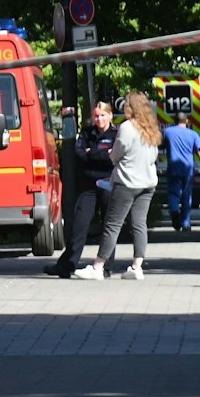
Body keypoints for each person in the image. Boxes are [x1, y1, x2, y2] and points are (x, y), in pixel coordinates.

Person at [77, 90, 161, 280]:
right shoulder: (151, 128)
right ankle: (137, 267)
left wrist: (111, 157)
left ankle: (98, 266)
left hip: (127, 182)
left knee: (112, 224)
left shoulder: (127, 127)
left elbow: (116, 154)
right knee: (139, 224)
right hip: (148, 183)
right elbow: (153, 156)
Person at [48, 100, 119, 277]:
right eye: (96, 116)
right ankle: (68, 264)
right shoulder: (87, 133)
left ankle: (106, 267)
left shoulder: (117, 134)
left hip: (109, 183)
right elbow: (79, 154)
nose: (99, 119)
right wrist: (103, 154)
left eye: (102, 115)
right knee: (79, 224)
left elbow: (114, 157)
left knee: (109, 227)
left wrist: (92, 153)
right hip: (89, 185)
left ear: (110, 115)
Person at [162, 112, 200, 231]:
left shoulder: (167, 132)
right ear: (186, 121)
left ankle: (174, 212)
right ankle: (186, 223)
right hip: (188, 169)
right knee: (187, 195)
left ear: (174, 121)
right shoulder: (193, 134)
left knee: (173, 193)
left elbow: (159, 146)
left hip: (173, 167)